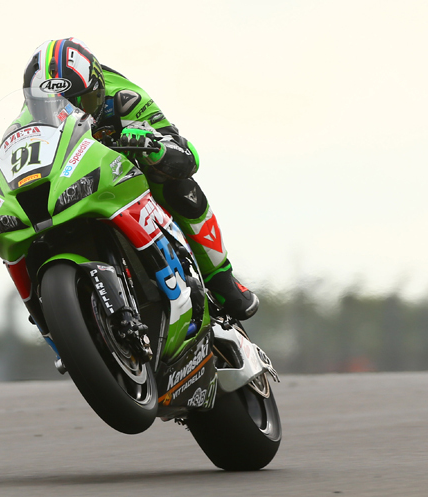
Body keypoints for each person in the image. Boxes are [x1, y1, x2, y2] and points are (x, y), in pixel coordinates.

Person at [22, 37, 258, 320]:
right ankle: (50, 325)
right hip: (71, 190)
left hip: (124, 179)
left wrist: (154, 148)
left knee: (176, 185)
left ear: (98, 89)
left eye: (83, 102)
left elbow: (187, 156)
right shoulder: (26, 122)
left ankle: (220, 278)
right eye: (52, 106)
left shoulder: (123, 98)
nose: (71, 112)